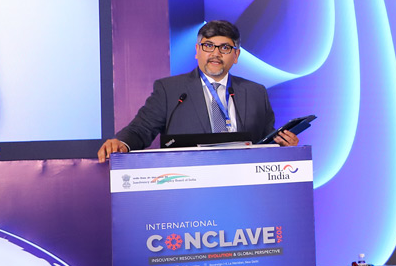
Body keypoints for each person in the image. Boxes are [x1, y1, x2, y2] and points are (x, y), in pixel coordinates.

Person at [97, 20, 297, 161]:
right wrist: (121, 142)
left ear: (236, 55)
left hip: (245, 183)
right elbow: (140, 129)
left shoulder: (255, 92)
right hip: (189, 185)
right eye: (208, 46)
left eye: (225, 48)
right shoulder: (170, 90)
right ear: (197, 51)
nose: (216, 54)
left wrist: (283, 145)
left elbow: (267, 140)